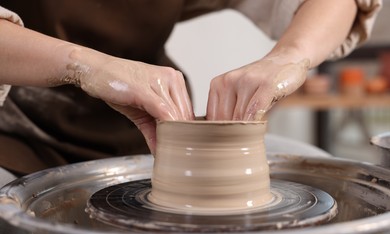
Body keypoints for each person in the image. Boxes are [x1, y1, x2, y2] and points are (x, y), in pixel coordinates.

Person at [0, 0, 382, 176]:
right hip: (16, 137)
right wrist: (88, 66)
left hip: (151, 127)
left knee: (326, 179)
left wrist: (289, 57)